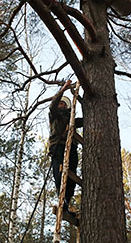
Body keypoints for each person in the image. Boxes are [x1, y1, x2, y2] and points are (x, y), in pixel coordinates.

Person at [49, 80, 83, 217]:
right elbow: (52, 105)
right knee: (60, 174)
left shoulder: (71, 118)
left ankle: (66, 203)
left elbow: (83, 120)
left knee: (72, 176)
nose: (62, 105)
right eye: (60, 104)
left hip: (71, 146)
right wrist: (63, 89)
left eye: (64, 104)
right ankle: (61, 200)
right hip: (57, 146)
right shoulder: (54, 115)